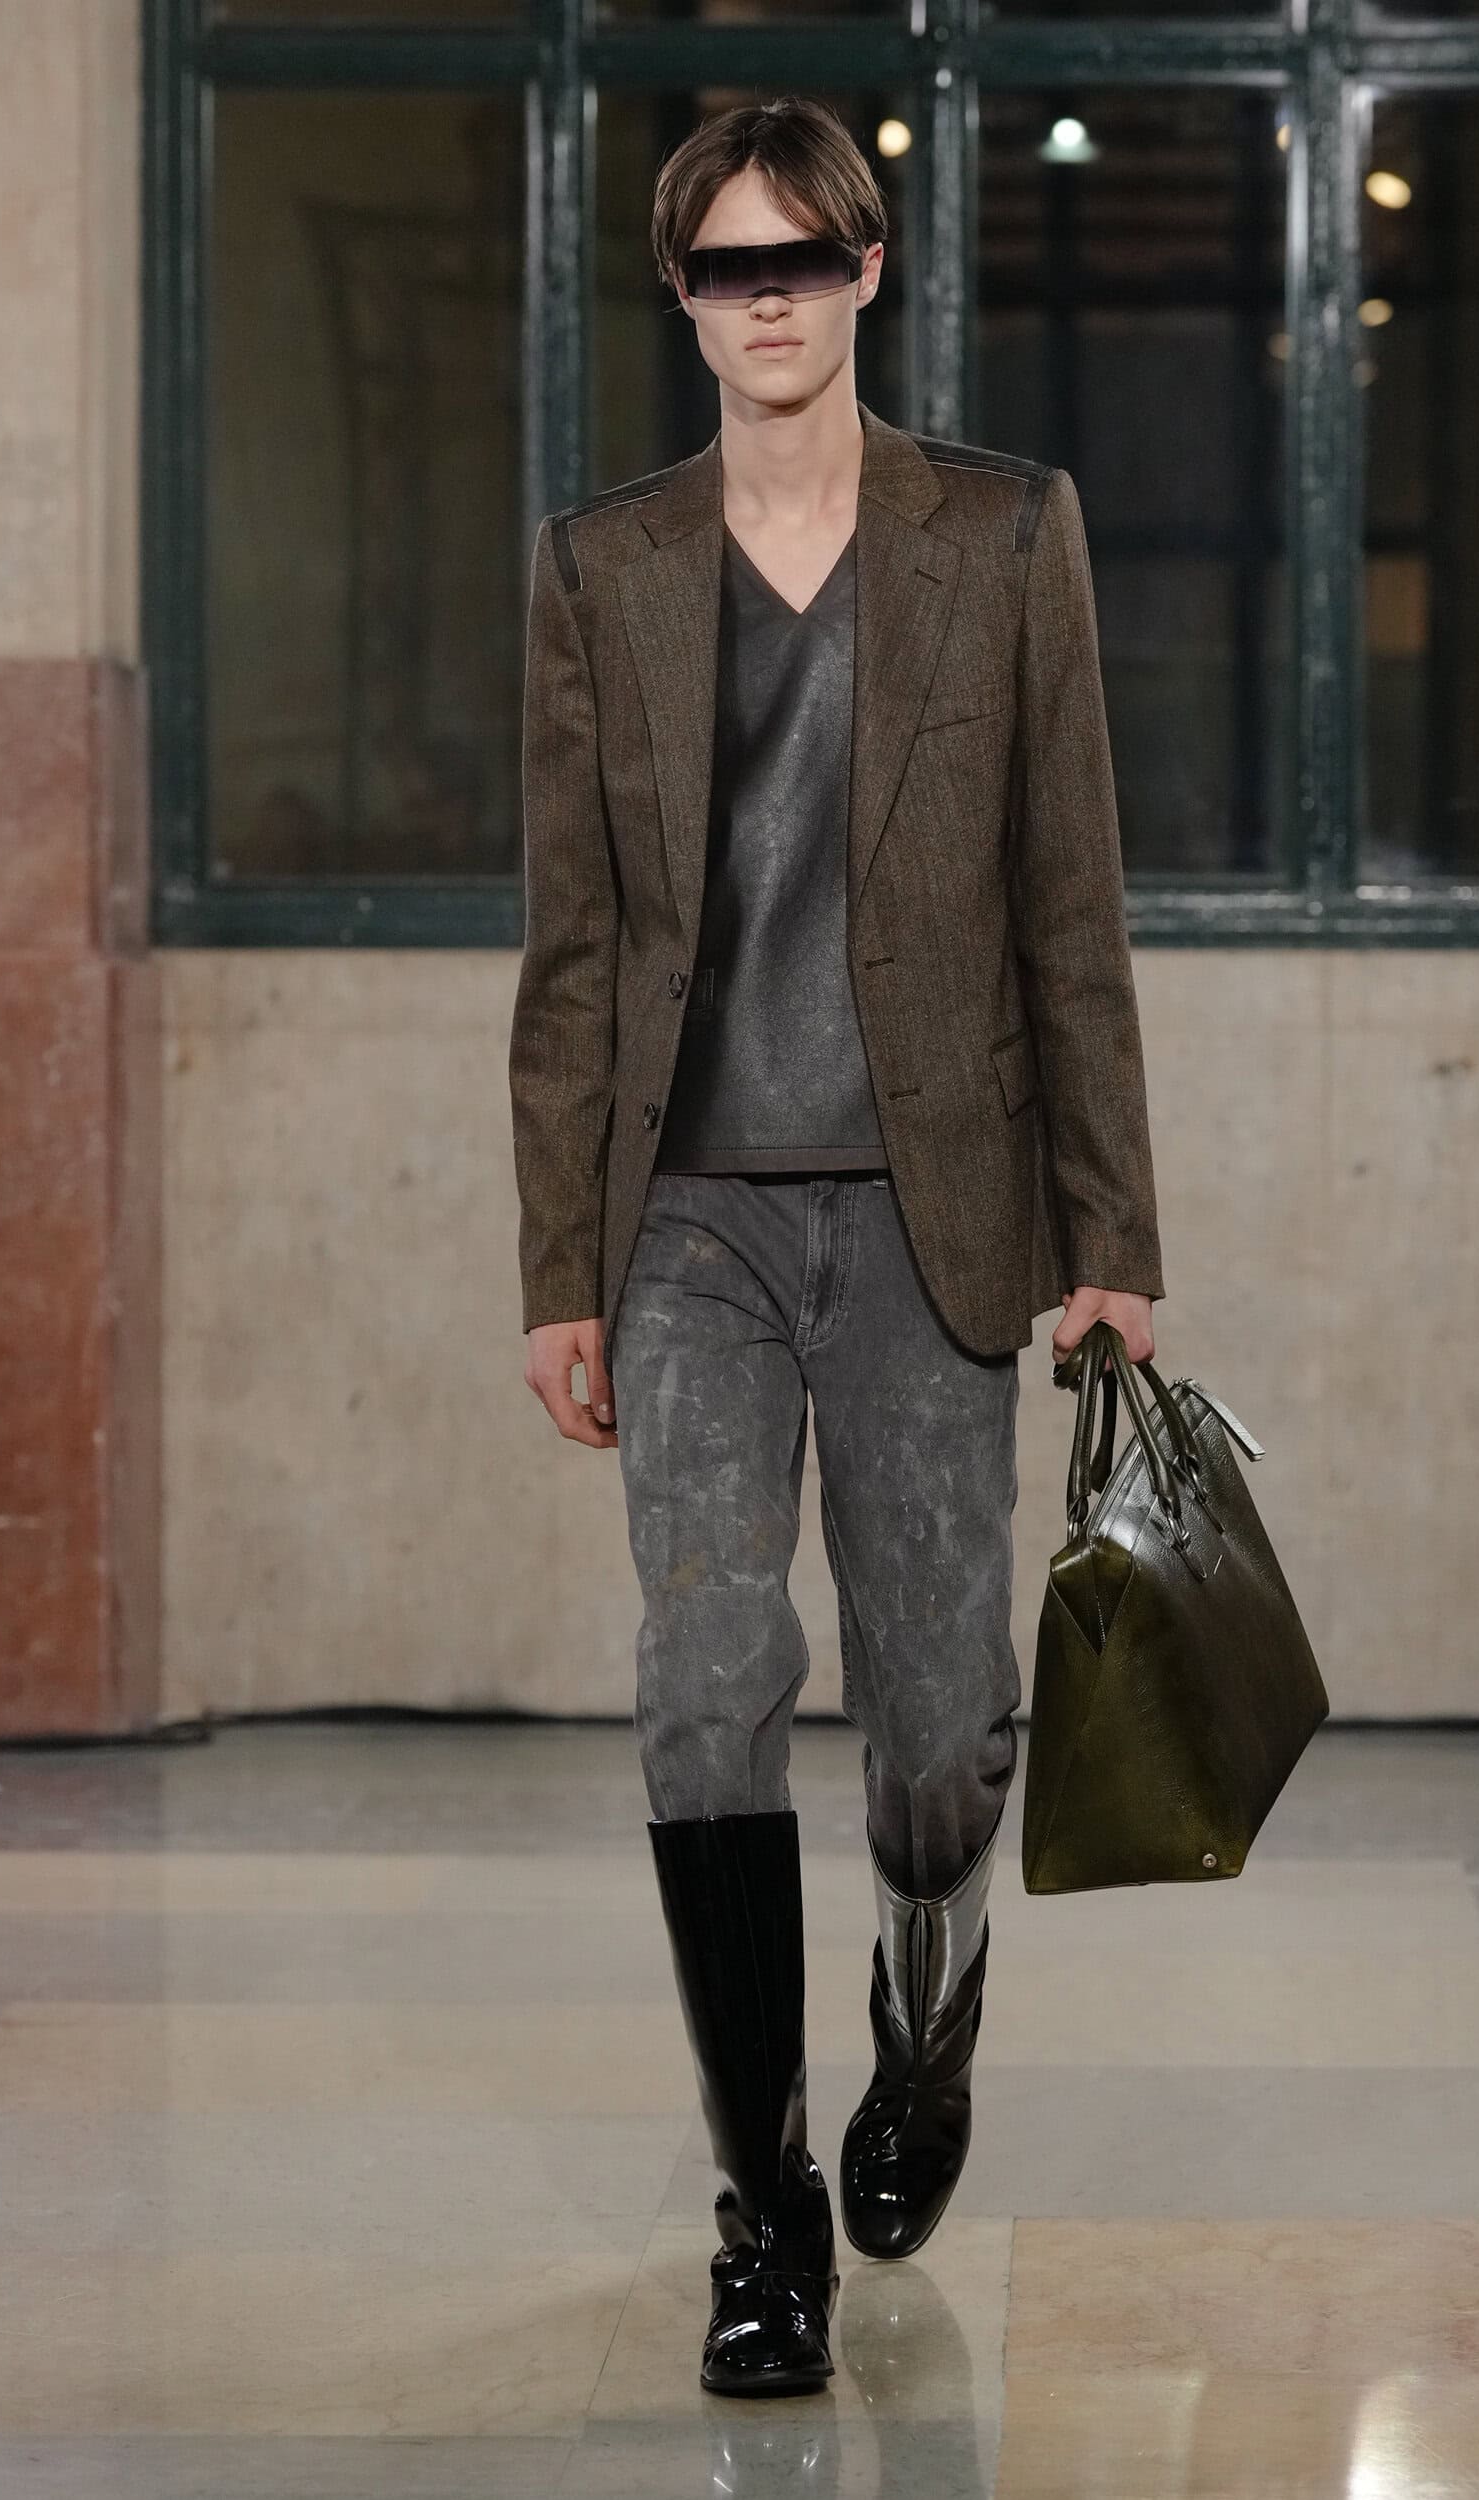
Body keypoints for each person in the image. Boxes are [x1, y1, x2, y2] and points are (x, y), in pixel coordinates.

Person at [508, 94, 1165, 2398]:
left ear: (869, 269)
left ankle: (927, 2003)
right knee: (705, 1681)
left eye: (802, 255)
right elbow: (573, 948)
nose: (765, 296)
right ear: (683, 294)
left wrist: (1114, 1228)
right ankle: (763, 2204)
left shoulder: (1004, 533)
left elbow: (1070, 896)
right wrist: (559, 1263)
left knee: (941, 1720)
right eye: (725, 265)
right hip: (685, 1213)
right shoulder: (600, 567)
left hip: (928, 1202)